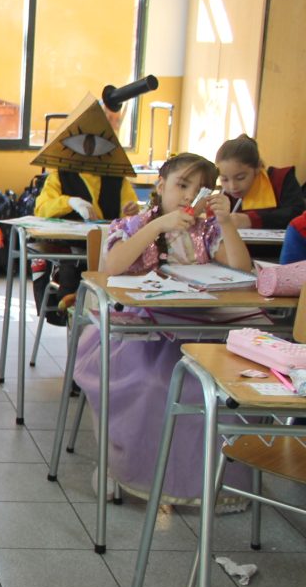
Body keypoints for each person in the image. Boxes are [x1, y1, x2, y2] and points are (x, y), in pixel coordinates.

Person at [72, 153, 252, 506]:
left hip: (197, 331)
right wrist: (157, 226)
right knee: (152, 385)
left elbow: (242, 271)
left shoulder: (207, 231)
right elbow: (113, 266)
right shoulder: (133, 224)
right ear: (160, 185)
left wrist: (227, 223)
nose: (189, 196)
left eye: (200, 190)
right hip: (139, 335)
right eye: (182, 186)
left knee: (221, 388)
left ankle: (204, 485)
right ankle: (121, 469)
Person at [215, 134, 303, 230]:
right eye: (224, 179)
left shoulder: (280, 179)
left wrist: (250, 220)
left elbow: (297, 214)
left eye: (240, 178)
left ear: (258, 167)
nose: (232, 186)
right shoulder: (225, 195)